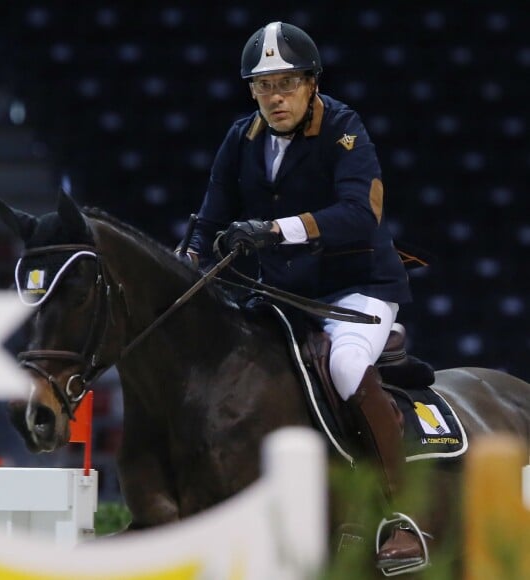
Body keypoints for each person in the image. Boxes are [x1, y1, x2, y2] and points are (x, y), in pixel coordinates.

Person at [181, 21, 425, 571]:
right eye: (264, 85)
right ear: (251, 91)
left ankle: (403, 515)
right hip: (282, 292)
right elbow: (211, 212)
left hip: (356, 286)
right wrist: (191, 258)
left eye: (287, 83)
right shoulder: (240, 139)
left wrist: (272, 230)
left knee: (343, 365)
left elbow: (361, 215)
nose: (276, 96)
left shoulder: (344, 130)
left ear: (311, 83)